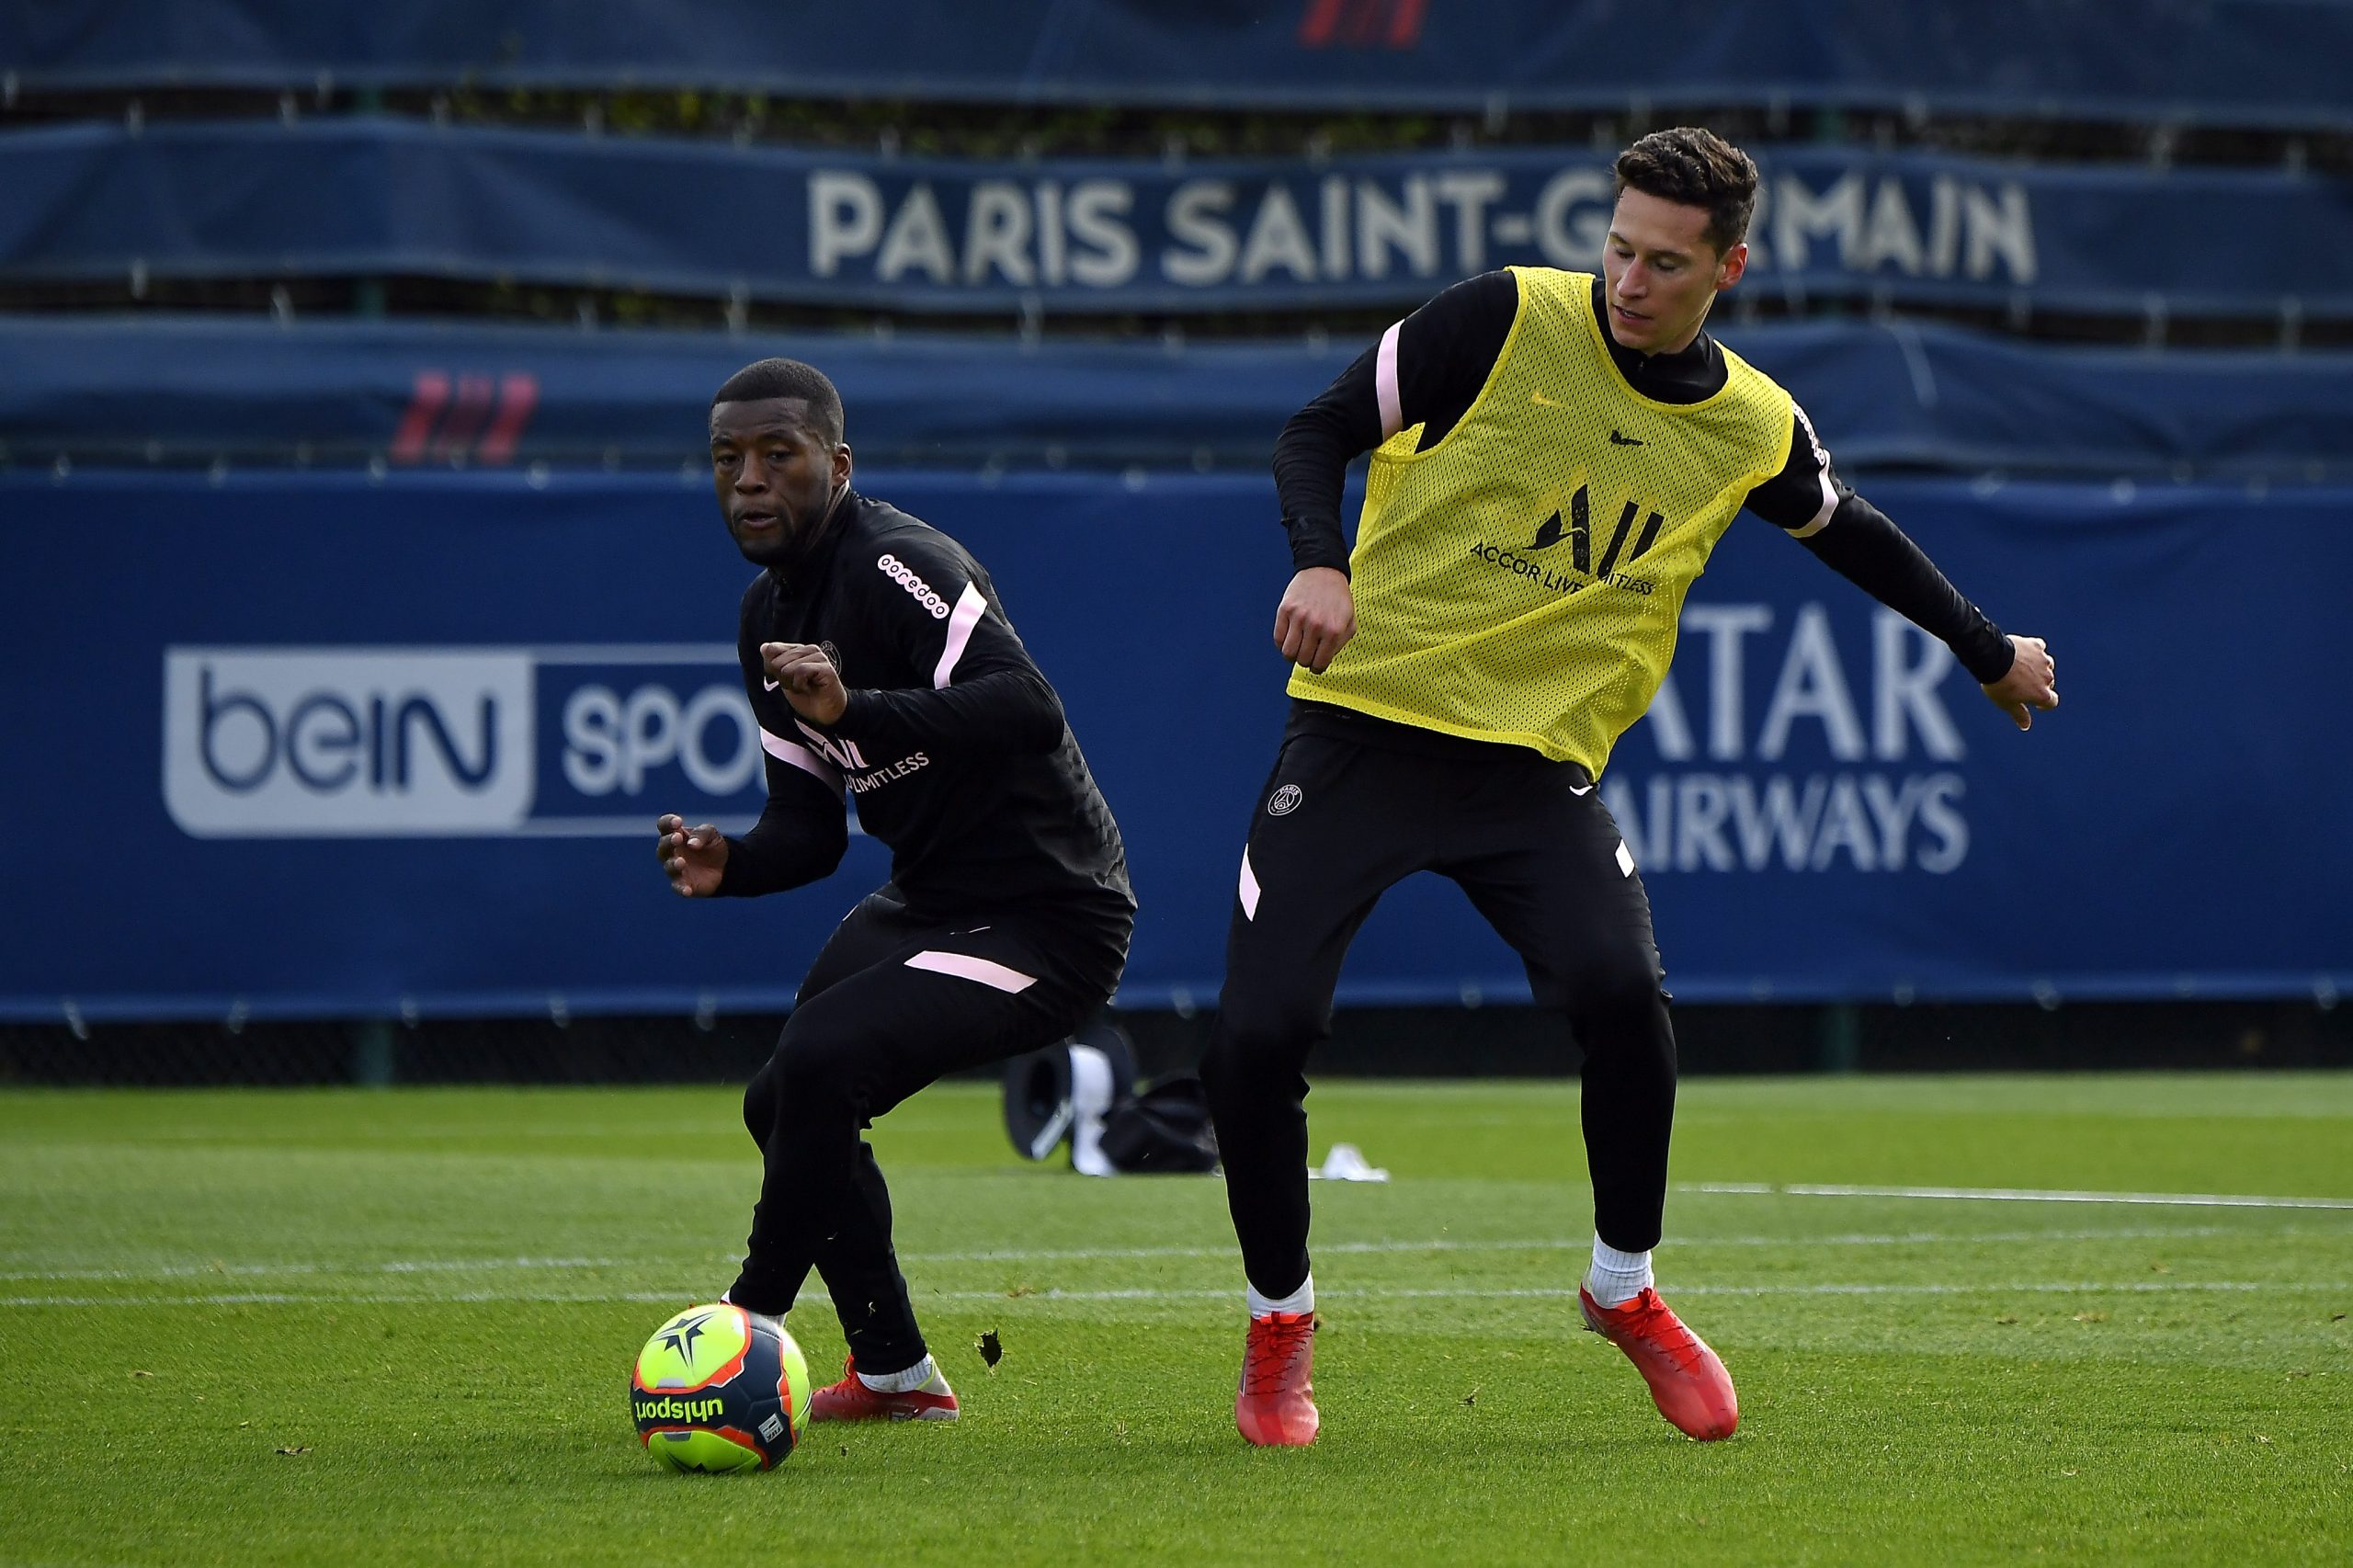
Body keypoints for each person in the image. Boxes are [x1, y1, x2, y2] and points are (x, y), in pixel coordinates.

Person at [1199, 128, 2059, 1447]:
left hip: (1532, 770)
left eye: (1665, 262)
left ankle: (1624, 1288)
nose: (1628, 280)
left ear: (1730, 268)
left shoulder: (1752, 423)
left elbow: (1854, 533)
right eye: (1617, 247)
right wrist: (1320, 559)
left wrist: (1988, 649)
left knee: (1622, 997)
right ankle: (1280, 1325)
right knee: (1256, 1036)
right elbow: (1317, 430)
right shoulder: (1503, 315)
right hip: (1360, 734)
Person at [656, 358, 1134, 1422]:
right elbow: (811, 831)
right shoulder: (764, 616)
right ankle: (895, 1372)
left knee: (821, 1062)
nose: (748, 481)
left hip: (1052, 913)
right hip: (932, 898)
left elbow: (1026, 705)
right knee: (780, 1099)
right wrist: (732, 861)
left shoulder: (896, 564)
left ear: (837, 464)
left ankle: (739, 1341)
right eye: (727, 460)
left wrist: (857, 707)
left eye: (777, 455)